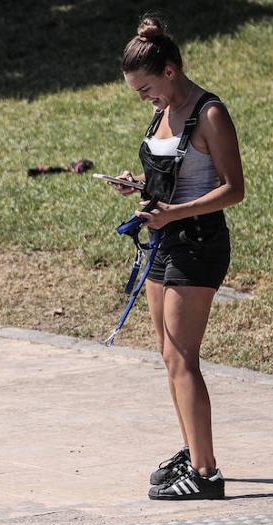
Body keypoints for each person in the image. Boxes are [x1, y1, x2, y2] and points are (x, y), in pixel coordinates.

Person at [109, 14, 244, 500]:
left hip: (199, 242)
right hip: (164, 240)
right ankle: (192, 448)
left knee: (185, 357)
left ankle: (206, 476)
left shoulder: (209, 113)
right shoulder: (163, 112)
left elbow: (233, 189)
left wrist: (177, 212)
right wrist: (140, 186)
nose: (144, 99)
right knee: (168, 355)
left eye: (146, 89)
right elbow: (174, 176)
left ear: (169, 71)